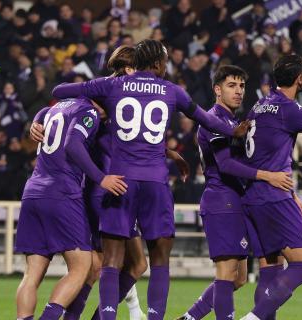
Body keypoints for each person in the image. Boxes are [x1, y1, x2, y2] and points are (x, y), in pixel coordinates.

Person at [51, 39, 249, 320]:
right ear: (157, 63)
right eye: (165, 62)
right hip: (156, 183)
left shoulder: (112, 85)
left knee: (112, 260)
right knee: (159, 261)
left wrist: (101, 85)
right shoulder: (172, 90)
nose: (166, 67)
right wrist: (235, 133)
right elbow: (207, 119)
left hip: (121, 181)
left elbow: (59, 90)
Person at [178, 65, 294, 320]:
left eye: (241, 86)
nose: (239, 91)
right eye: (232, 85)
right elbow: (226, 164)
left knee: (239, 277)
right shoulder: (215, 119)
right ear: (217, 90)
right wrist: (268, 176)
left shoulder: (231, 121)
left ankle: (189, 318)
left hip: (235, 201)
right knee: (227, 273)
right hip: (221, 200)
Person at [239, 54, 302, 320]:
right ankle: (252, 318)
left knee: (270, 270)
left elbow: (261, 154)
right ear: (299, 78)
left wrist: (292, 193)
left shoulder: (259, 104)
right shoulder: (288, 108)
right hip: (273, 196)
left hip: (253, 195)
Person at [15, 98, 127, 320]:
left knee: (31, 275)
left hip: (33, 191)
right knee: (82, 266)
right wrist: (101, 178)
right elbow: (73, 144)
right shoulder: (89, 113)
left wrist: (36, 119)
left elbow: (44, 109)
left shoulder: (57, 108)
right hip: (62, 192)